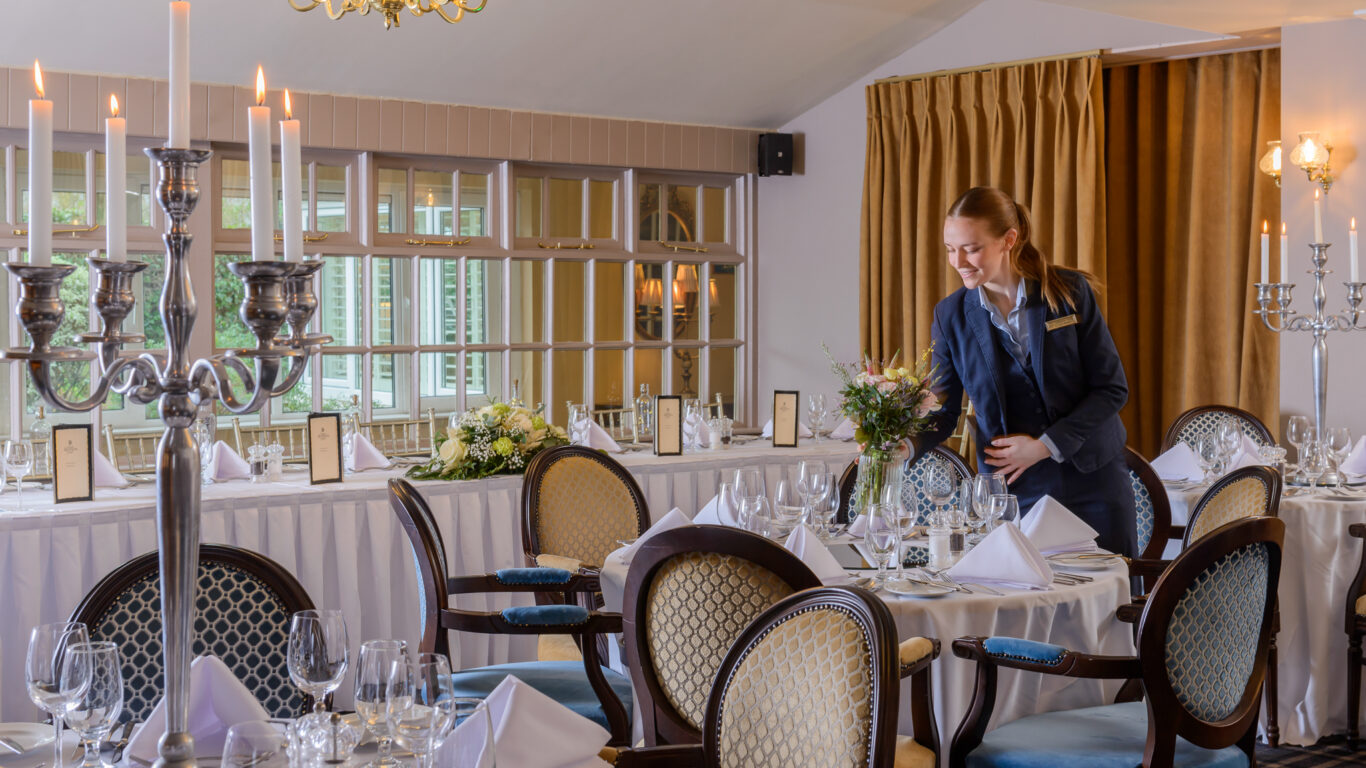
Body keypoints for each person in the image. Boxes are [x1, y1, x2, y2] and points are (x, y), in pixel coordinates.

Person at [910, 186, 1136, 556]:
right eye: (951, 249)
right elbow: (943, 410)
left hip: (1094, 483)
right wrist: (904, 445)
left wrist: (1045, 446)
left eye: (971, 248)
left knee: (1109, 603)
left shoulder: (1069, 293)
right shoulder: (949, 316)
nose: (958, 261)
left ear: (1008, 240)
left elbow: (1111, 389)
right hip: (1014, 494)